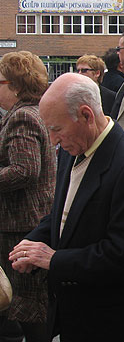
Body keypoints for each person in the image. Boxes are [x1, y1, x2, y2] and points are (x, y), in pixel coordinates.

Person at [9, 73, 124, 342]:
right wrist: (31, 243)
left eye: (56, 129)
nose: (53, 140)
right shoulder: (73, 149)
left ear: (86, 115)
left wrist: (53, 259)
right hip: (75, 314)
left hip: (113, 321)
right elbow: (63, 214)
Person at [0, 52, 55, 342]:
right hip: (28, 220)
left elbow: (24, 170)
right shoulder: (32, 111)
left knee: (26, 304)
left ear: (14, 84)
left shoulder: (22, 116)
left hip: (20, 222)